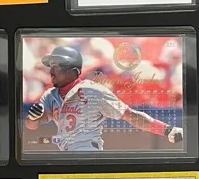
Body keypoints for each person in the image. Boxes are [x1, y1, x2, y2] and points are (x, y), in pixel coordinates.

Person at [25, 46, 182, 151]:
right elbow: (32, 126)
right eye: (51, 66)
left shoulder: (93, 91)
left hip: (87, 151)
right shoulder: (50, 95)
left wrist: (166, 129)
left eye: (57, 66)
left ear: (72, 70)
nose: (51, 70)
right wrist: (33, 118)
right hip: (65, 152)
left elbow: (131, 116)